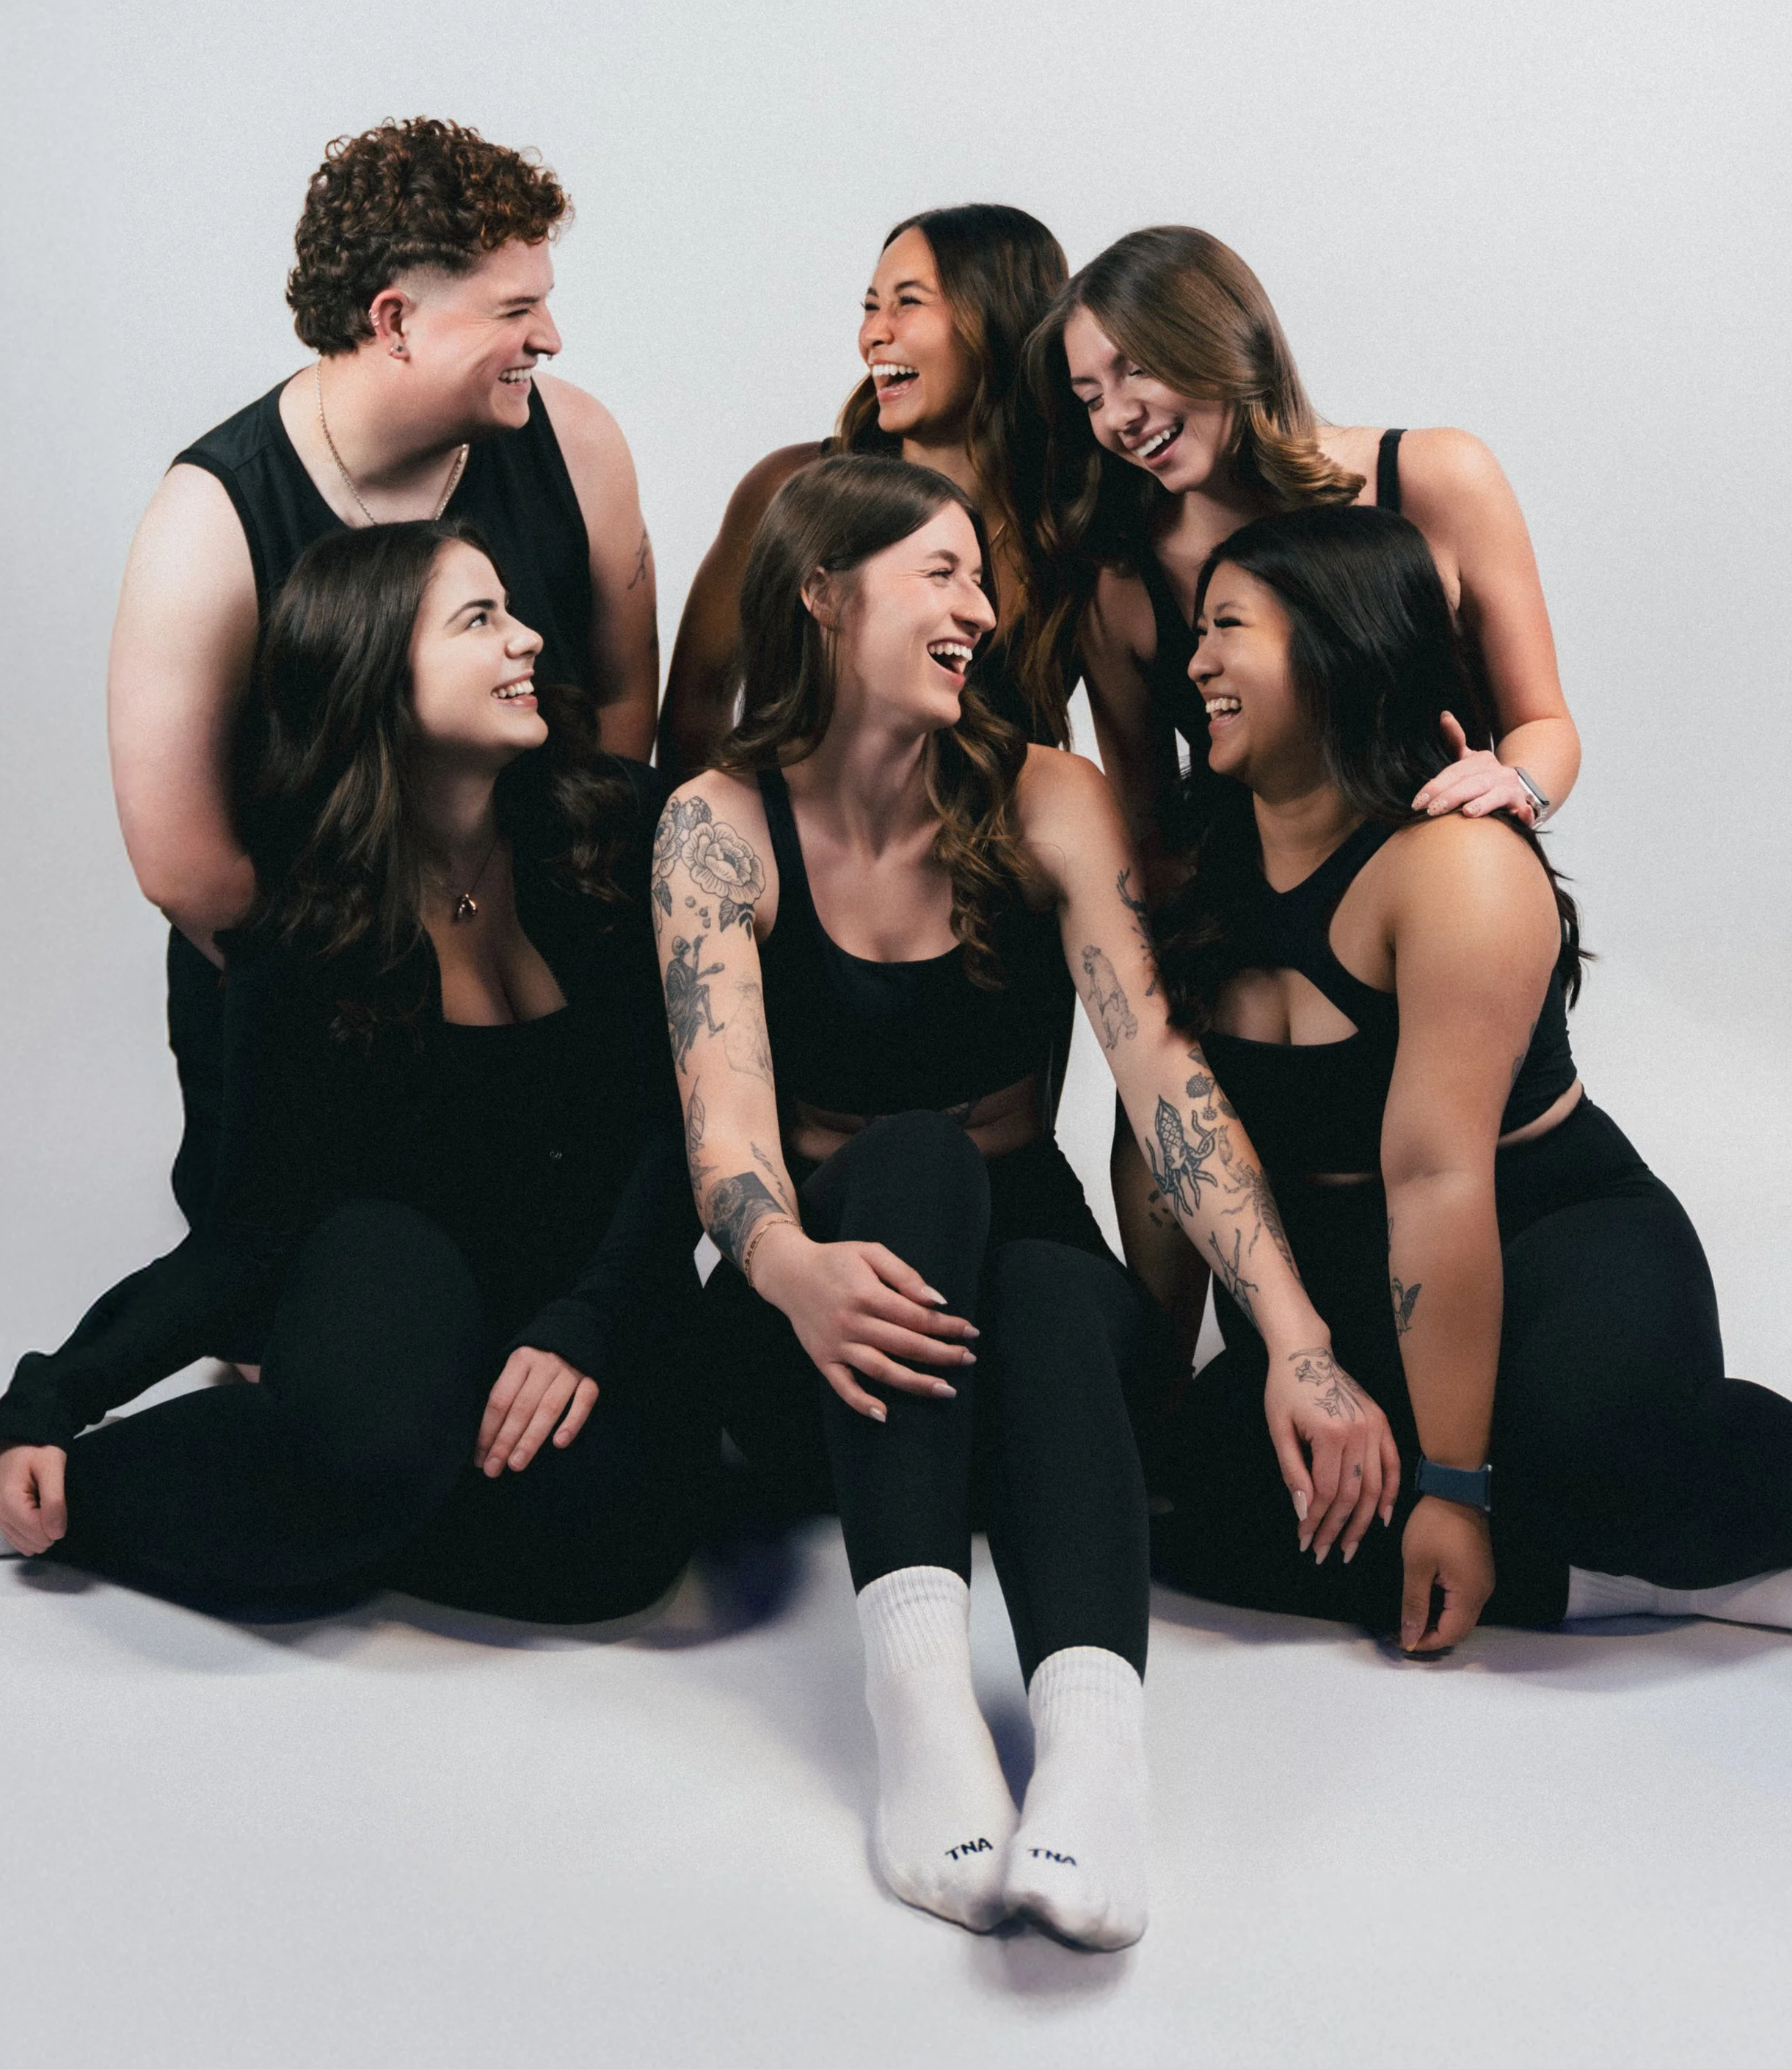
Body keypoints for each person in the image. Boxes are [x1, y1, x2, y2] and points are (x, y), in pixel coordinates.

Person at [652, 454, 1395, 1948]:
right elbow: (726, 1134)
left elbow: (1164, 1081)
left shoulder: (1047, 796)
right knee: (913, 1161)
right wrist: (788, 1263)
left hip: (1019, 1331)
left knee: (1054, 1280)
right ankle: (923, 1708)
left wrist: (1298, 1339)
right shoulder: (717, 823)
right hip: (814, 1323)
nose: (981, 610)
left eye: (981, 579)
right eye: (940, 573)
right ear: (822, 593)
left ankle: (1091, 1762)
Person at [0, 525, 705, 1626]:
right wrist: (49, 1399)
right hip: (393, 1298)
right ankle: (101, 1489)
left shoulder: (620, 830)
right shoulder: (306, 935)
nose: (526, 640)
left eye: (511, 610)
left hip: (589, 1293)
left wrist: (591, 1319)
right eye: (479, 620)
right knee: (378, 1398)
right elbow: (245, 1235)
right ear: (376, 673)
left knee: (613, 1549)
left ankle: (318, 1484)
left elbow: (685, 1124)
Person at [1146, 504, 1792, 1651]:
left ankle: (1658, 1513)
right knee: (1198, 1504)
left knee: (1582, 1440)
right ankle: (1615, 1581)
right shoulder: (1197, 863)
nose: (1196, 663)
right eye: (1196, 632)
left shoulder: (1455, 863)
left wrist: (1451, 1487)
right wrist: (1177, 1378)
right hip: (1348, 1275)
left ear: (1339, 645)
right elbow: (1160, 1146)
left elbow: (1439, 1179)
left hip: (1549, 1235)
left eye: (1228, 627)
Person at [110, 117, 659, 1292]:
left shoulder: (578, 443)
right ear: (394, 319)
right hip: (320, 1003)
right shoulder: (210, 517)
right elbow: (183, 861)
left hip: (538, 970)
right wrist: (370, 1013)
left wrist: (554, 940)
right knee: (340, 1315)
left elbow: (619, 703)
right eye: (515, 311)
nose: (549, 338)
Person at [1027, 223, 1581, 1347]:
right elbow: (1149, 819)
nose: (1117, 415)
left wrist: (1511, 784)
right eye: (1089, 396)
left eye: (1133, 369)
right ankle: (1165, 1386)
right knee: (1161, 1110)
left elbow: (1546, 724)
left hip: (1429, 890)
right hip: (1255, 927)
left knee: (1453, 1167)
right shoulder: (1124, 577)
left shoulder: (1431, 476)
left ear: (1221, 336)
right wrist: (1176, 1008)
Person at [658, 204, 1071, 779]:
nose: (872, 334)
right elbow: (695, 709)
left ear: (999, 317)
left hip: (993, 838)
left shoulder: (1072, 533)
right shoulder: (790, 491)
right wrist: (736, 827)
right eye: (872, 307)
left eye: (908, 302)